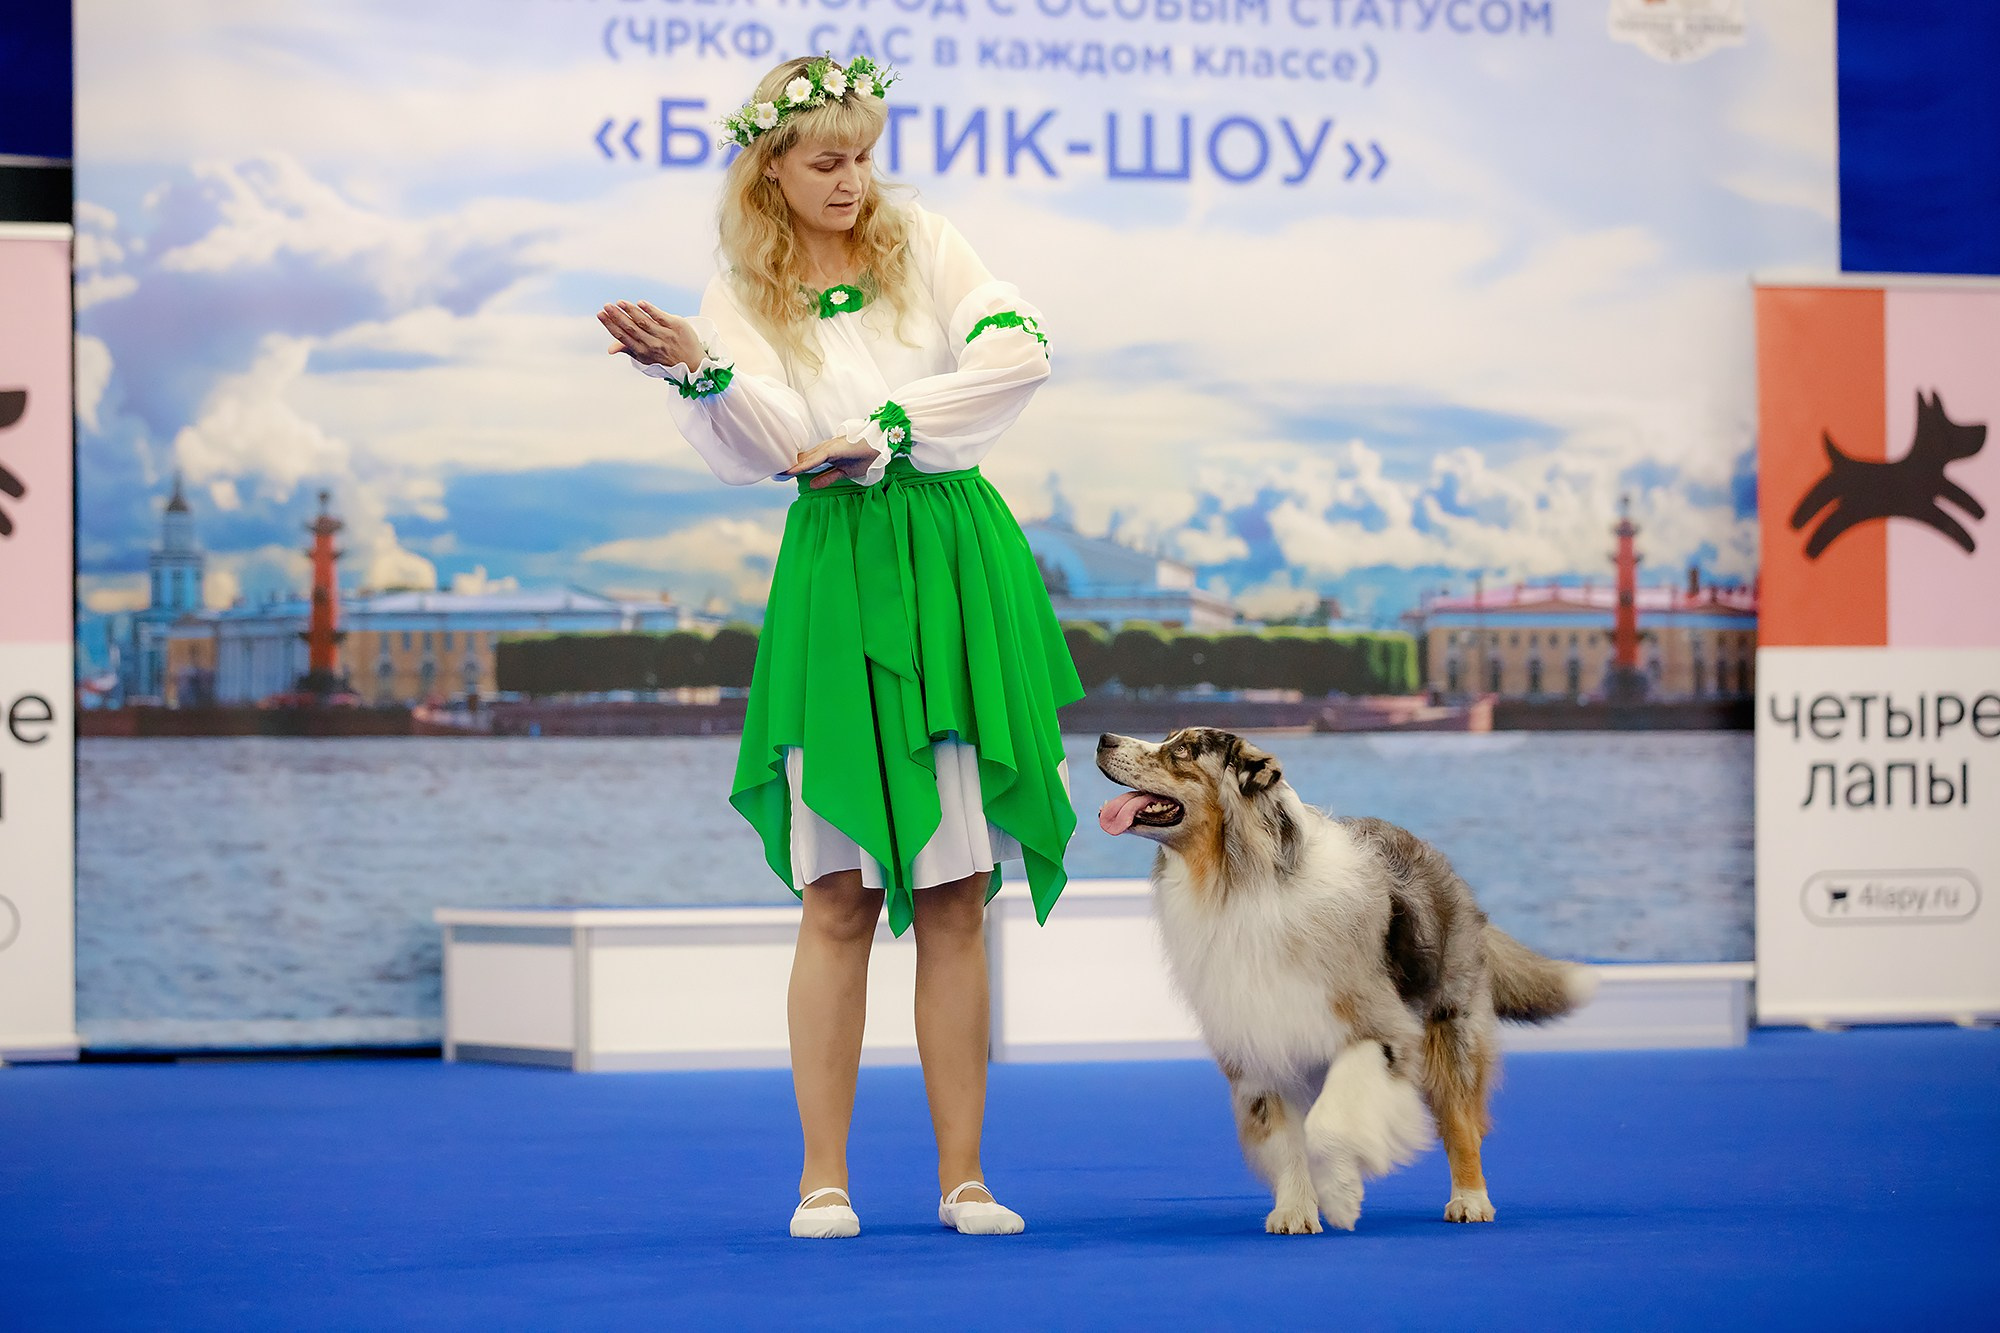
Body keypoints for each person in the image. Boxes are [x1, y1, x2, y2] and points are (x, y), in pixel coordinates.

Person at [596, 54, 1082, 1240]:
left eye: (863, 155)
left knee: (957, 893)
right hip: (836, 569)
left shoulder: (928, 244)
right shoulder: (737, 294)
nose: (853, 179)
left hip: (954, 562)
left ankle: (964, 1179)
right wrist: (697, 371)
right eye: (826, 160)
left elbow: (1017, 354)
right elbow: (771, 447)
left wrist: (890, 428)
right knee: (834, 896)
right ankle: (823, 1179)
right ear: (770, 169)